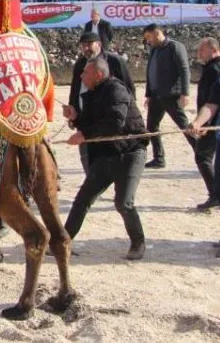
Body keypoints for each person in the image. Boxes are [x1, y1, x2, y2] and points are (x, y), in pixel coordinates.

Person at [64, 58, 148, 260]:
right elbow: (92, 123)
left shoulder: (116, 90)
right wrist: (76, 118)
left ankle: (138, 243)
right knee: (82, 200)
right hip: (105, 155)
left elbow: (114, 124)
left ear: (98, 74)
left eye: (85, 72)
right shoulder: (92, 94)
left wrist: (84, 135)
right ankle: (63, 241)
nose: (81, 76)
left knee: (123, 202)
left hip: (130, 154)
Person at [66, 32, 134, 172]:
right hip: (85, 116)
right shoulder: (80, 63)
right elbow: (75, 88)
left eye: (89, 44)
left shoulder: (115, 61)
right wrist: (72, 110)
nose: (85, 49)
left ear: (99, 44)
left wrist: (127, 114)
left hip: (109, 117)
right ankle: (92, 184)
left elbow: (128, 89)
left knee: (113, 155)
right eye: (82, 46)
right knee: (87, 155)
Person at [143, 24, 197, 170]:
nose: (147, 41)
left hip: (171, 95)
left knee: (184, 125)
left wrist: (185, 93)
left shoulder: (175, 47)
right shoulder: (154, 50)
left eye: (148, 37)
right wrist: (148, 94)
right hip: (156, 96)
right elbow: (150, 73)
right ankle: (159, 159)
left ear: (156, 33)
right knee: (152, 127)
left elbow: (184, 69)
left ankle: (202, 153)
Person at [188, 38, 220, 210]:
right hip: (210, 123)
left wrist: (206, 124)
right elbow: (211, 103)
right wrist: (199, 122)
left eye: (202, 50)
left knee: (203, 157)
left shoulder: (215, 69)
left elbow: (212, 102)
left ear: (213, 49)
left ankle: (215, 195)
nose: (199, 53)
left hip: (213, 125)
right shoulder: (211, 69)